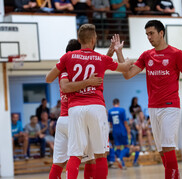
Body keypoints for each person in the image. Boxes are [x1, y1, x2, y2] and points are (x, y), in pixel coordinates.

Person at [114, 19, 182, 178]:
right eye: (146, 35)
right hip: (153, 107)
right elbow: (127, 74)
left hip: (170, 106)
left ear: (161, 33)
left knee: (167, 146)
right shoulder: (146, 55)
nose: (149, 37)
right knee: (161, 150)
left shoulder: (176, 54)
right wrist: (119, 52)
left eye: (151, 33)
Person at [54, 24, 133, 178]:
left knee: (75, 154)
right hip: (95, 106)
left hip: (74, 109)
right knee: (100, 154)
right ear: (93, 39)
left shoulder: (68, 58)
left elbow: (56, 79)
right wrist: (122, 55)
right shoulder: (100, 58)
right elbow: (124, 69)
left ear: (79, 39)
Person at [46, 39, 103, 179]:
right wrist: (88, 82)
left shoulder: (63, 70)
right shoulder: (81, 71)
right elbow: (97, 64)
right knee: (89, 158)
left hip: (62, 120)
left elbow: (48, 78)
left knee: (57, 164)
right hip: (75, 119)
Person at [108, 98, 131, 169]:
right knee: (127, 147)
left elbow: (110, 124)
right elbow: (125, 122)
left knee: (117, 148)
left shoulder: (110, 111)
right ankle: (120, 158)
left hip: (115, 131)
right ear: (118, 103)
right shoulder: (122, 110)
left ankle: (123, 165)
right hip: (122, 131)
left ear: (113, 103)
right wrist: (128, 131)